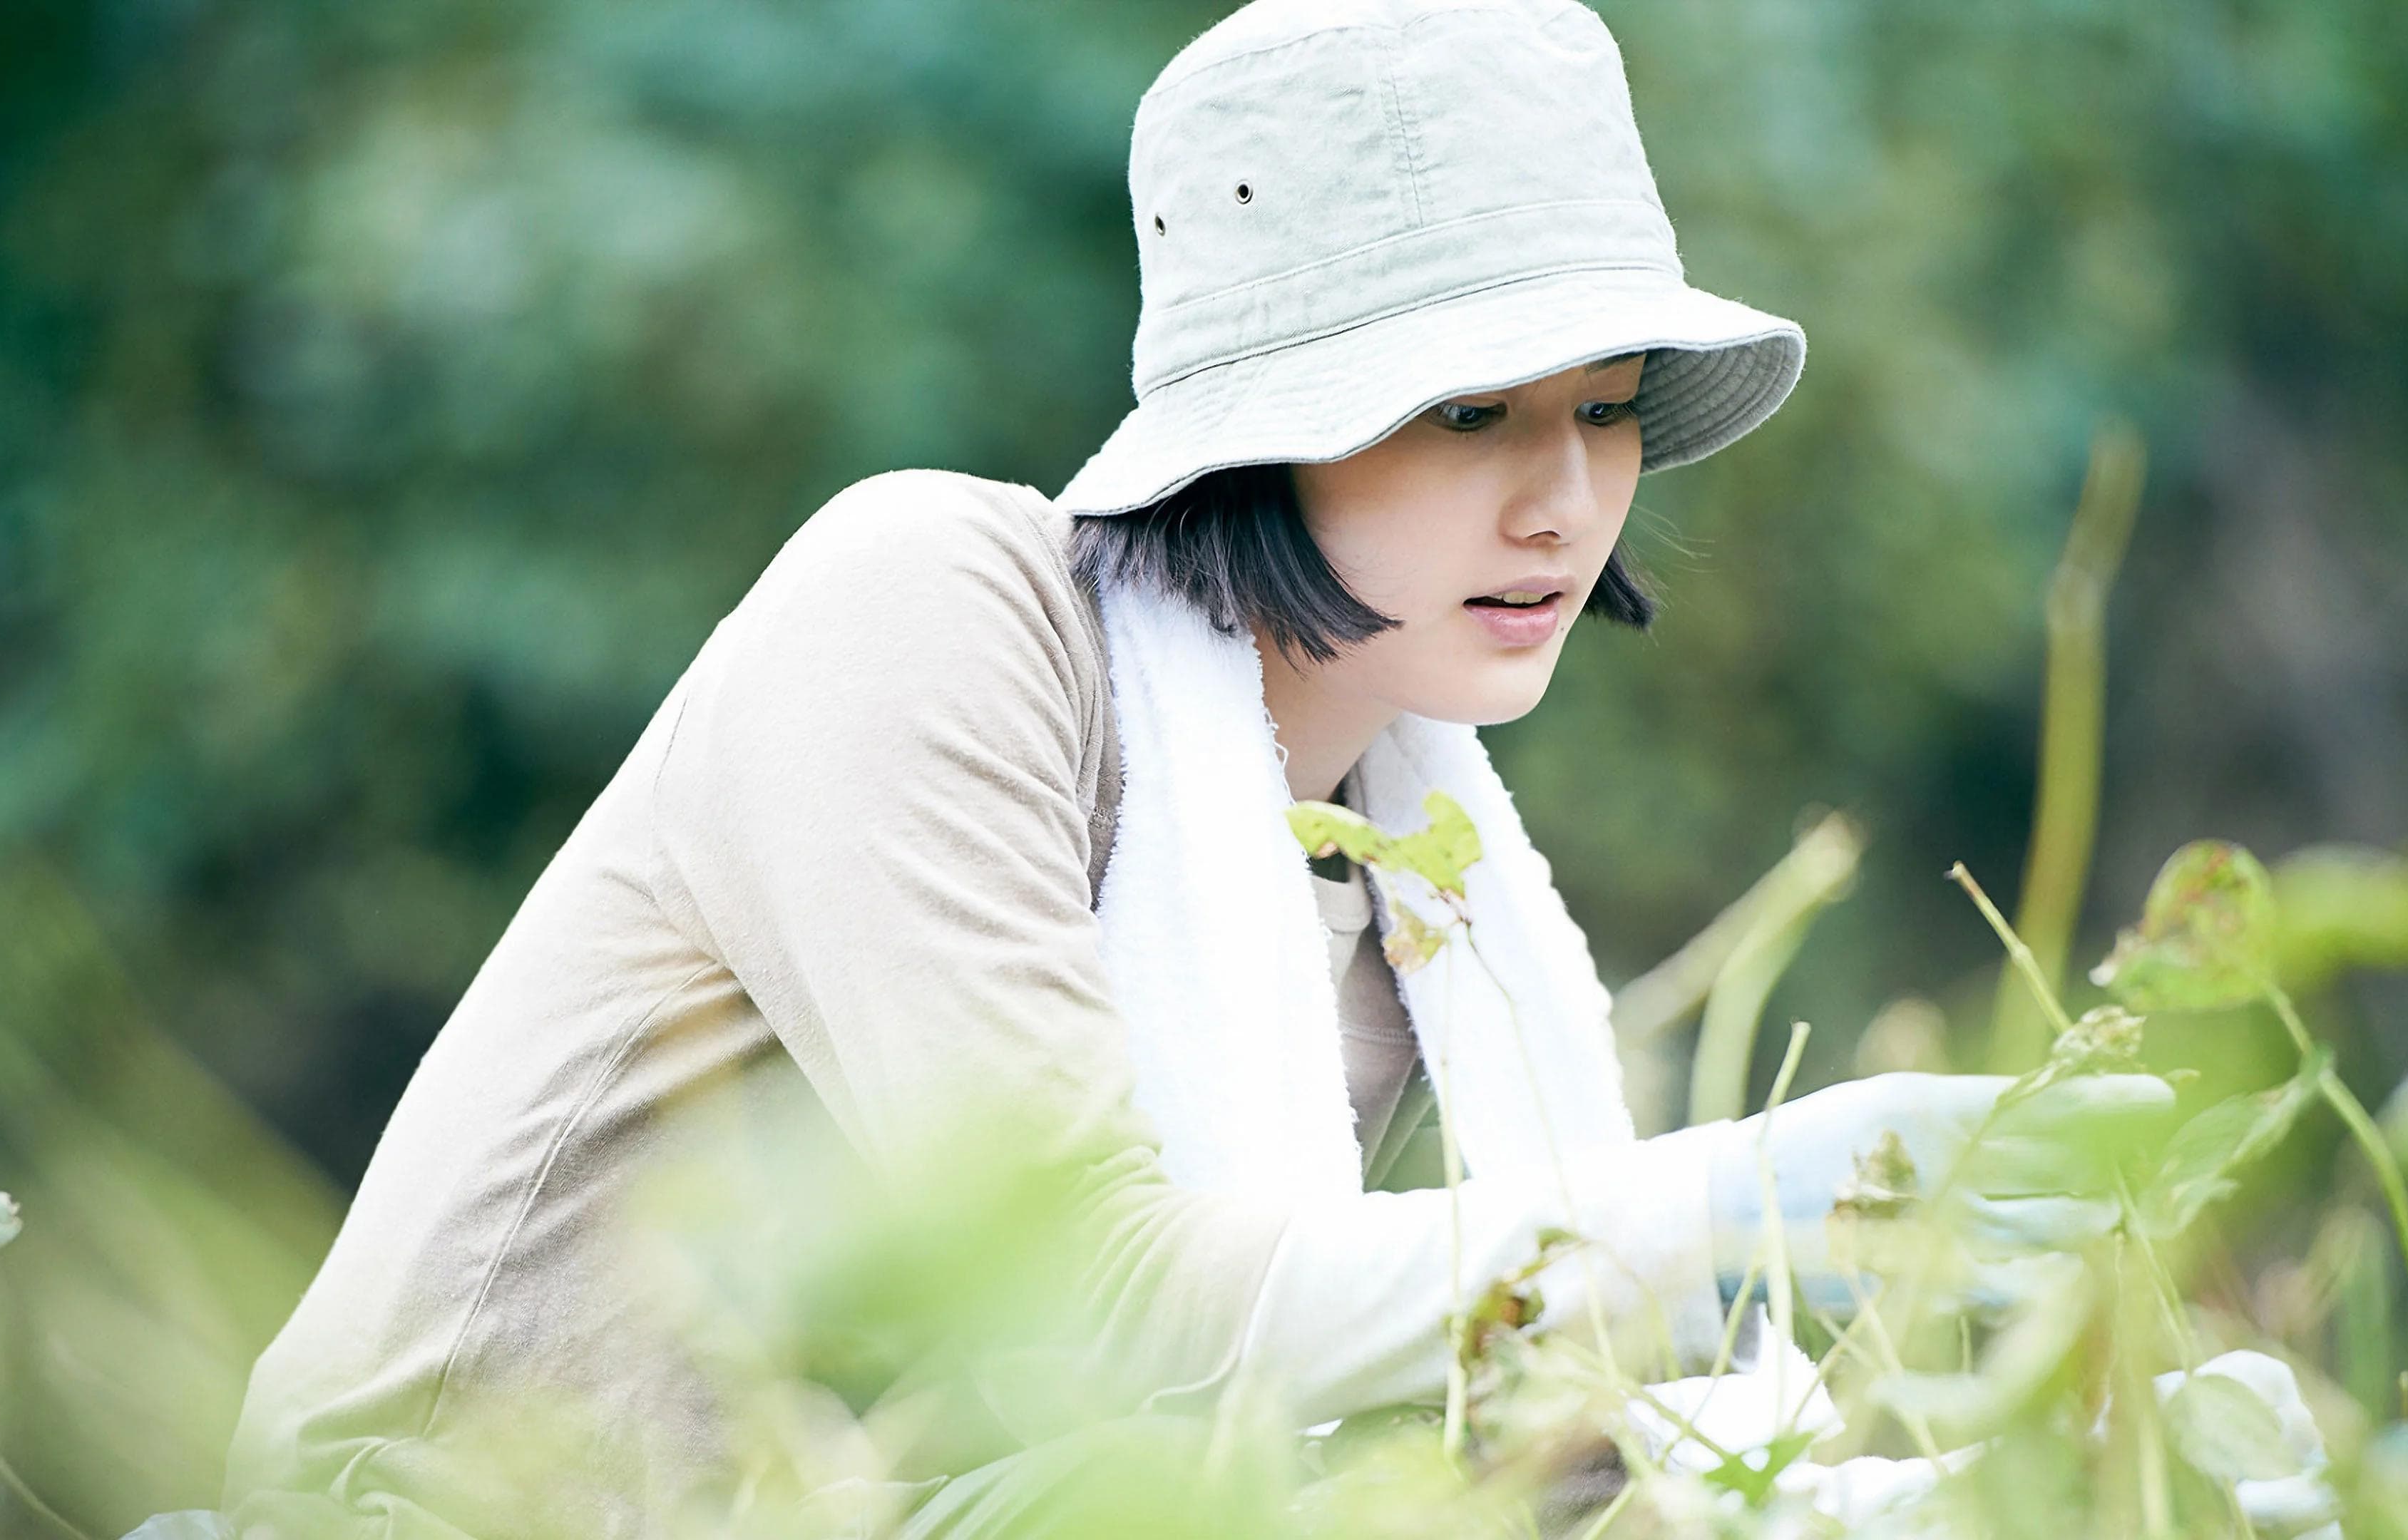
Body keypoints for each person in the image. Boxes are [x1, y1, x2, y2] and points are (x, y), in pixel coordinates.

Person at [220, 2, 2171, 1536]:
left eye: (1606, 410)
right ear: (1265, 437)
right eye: (1470, 408)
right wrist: (1749, 1203)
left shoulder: (1410, 872)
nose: (1564, 493)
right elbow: (1109, 1313)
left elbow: (1431, 1420)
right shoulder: (930, 604)